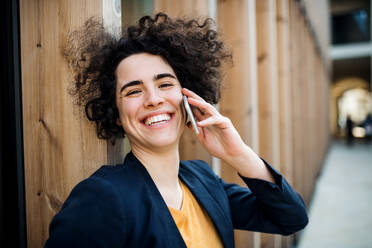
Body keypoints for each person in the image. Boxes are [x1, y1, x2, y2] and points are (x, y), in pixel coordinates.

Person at [44, 13, 308, 248]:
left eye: (165, 84)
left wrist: (238, 154)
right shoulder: (101, 198)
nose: (153, 99)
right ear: (115, 114)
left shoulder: (203, 179)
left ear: (188, 97)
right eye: (134, 90)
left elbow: (291, 218)